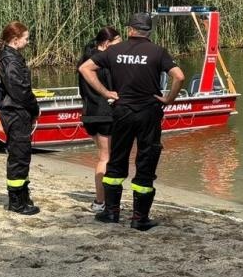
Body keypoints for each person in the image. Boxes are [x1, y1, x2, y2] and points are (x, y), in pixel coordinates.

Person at [80, 11, 185, 230]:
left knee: (117, 161)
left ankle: (111, 213)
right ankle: (139, 218)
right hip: (148, 113)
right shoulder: (158, 51)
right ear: (149, 32)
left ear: (130, 30)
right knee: (146, 161)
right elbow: (179, 76)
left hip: (122, 112)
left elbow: (85, 68)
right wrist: (169, 99)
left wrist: (106, 92)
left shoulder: (114, 50)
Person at [0, 21, 40, 216]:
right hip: (16, 112)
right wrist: (35, 108)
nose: (28, 42)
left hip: (16, 111)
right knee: (19, 156)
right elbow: (20, 90)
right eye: (26, 38)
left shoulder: (10, 57)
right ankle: (16, 202)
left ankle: (23, 196)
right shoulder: (10, 60)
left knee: (22, 155)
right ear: (15, 39)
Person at [77, 26, 122, 212]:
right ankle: (101, 201)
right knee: (105, 158)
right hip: (104, 114)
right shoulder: (103, 62)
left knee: (104, 156)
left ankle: (103, 199)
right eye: (117, 43)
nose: (120, 47)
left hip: (89, 114)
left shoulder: (86, 58)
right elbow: (114, 89)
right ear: (106, 43)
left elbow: (83, 90)